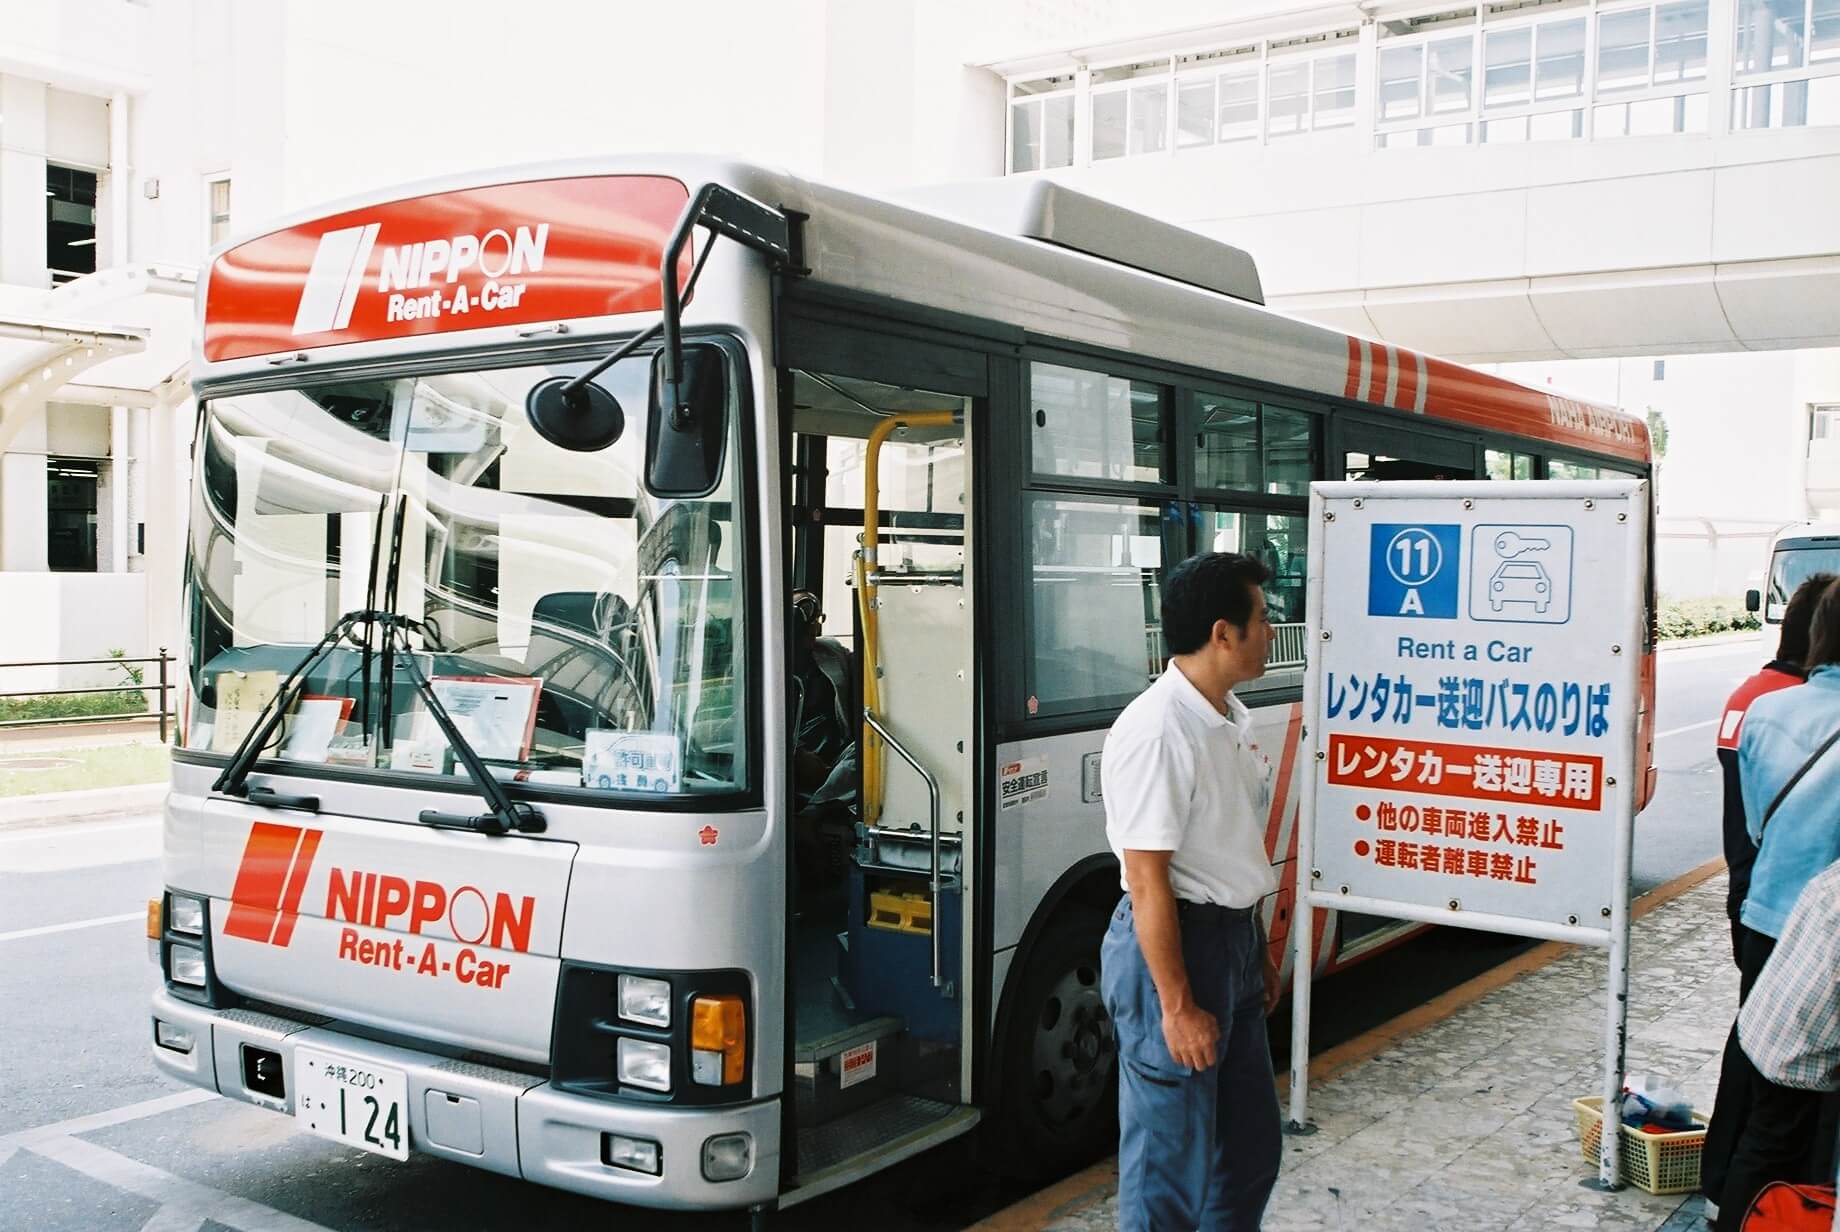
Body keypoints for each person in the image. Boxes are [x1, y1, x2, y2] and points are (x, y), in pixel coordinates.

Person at [1098, 552, 1283, 1232]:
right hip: (1174, 953)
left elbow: (1233, 848)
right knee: (1168, 1175)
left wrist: (1254, 950)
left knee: (1251, 1150)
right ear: (1222, 633)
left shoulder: (1229, 716)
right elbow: (1148, 881)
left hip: (1228, 944)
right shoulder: (1157, 731)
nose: (1272, 629)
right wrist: (1176, 1007)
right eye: (1262, 619)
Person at [1701, 572, 1831, 1210]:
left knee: (1758, 1053)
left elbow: (1752, 821)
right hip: (1824, 938)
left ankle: (1728, 1193)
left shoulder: (1764, 706)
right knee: (1802, 1104)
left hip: (1763, 910)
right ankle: (1785, 1209)